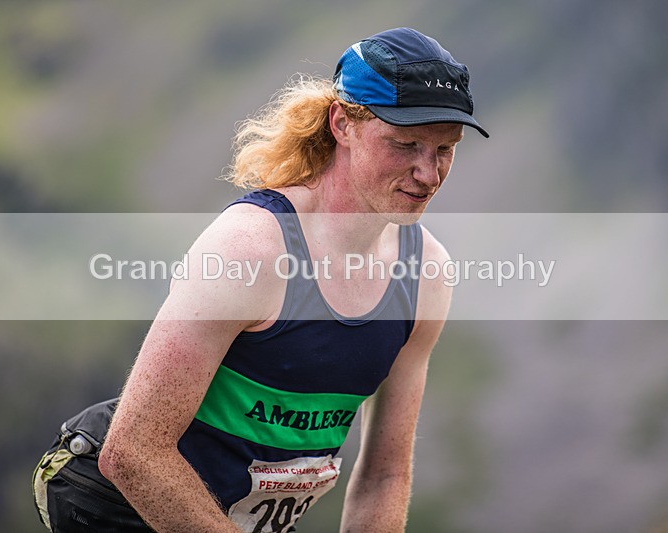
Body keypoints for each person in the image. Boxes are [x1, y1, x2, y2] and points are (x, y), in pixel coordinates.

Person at [98, 27, 488, 533]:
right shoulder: (250, 250)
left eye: (445, 149)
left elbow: (384, 475)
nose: (428, 174)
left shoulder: (425, 275)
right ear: (342, 124)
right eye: (405, 143)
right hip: (115, 513)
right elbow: (133, 451)